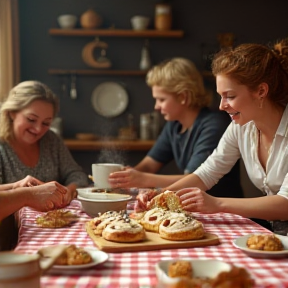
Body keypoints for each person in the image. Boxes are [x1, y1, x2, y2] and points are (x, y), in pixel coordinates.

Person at [137, 38, 288, 234]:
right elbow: (207, 173)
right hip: (276, 231)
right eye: (221, 96)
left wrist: (217, 203)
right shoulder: (241, 127)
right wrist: (160, 195)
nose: (221, 105)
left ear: (261, 91)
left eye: (230, 96)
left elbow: (285, 203)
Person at [109, 58, 243, 198]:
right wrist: (127, 177)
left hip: (221, 207)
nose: (156, 106)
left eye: (161, 99)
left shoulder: (214, 124)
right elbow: (149, 165)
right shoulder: (174, 125)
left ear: (183, 97)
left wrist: (142, 179)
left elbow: (194, 178)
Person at [0, 80, 88, 250]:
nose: (38, 129)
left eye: (46, 123)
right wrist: (22, 191)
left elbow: (76, 173)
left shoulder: (51, 141)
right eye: (31, 119)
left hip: (52, 234)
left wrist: (69, 189)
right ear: (11, 113)